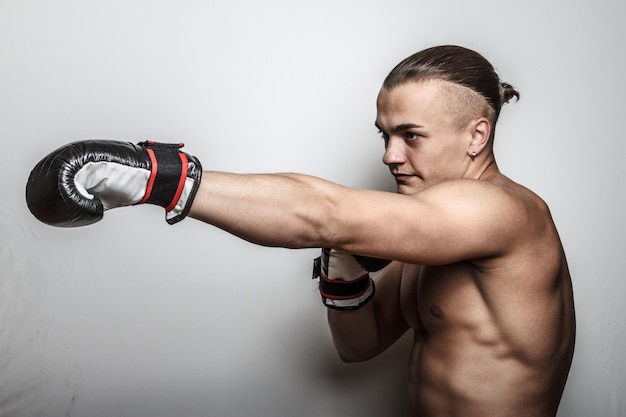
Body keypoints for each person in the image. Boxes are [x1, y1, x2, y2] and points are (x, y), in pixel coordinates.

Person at [26, 45, 575, 417]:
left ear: (477, 134)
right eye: (384, 134)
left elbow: (322, 212)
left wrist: (155, 177)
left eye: (411, 135)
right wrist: (344, 271)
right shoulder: (431, 235)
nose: (389, 155)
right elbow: (358, 347)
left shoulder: (502, 212)